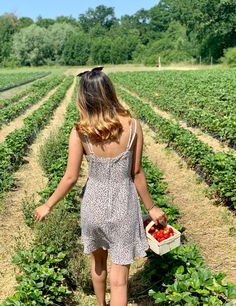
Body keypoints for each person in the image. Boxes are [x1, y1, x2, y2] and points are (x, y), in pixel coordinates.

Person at [34, 67, 167, 306]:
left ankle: (99, 304)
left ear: (84, 97)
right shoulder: (133, 126)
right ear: (109, 91)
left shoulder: (80, 132)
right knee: (119, 281)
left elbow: (70, 177)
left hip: (93, 206)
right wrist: (152, 207)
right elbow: (136, 172)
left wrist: (48, 204)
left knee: (97, 263)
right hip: (123, 206)